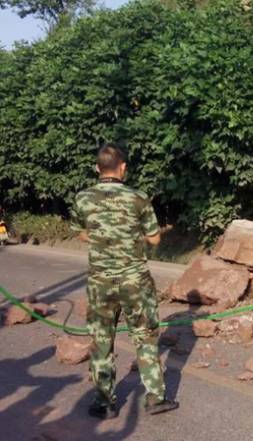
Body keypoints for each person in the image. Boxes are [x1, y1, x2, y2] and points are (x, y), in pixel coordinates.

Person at [70, 143, 178, 419]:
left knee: (101, 340)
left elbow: (79, 233)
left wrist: (103, 237)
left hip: (100, 283)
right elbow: (154, 238)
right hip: (135, 281)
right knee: (145, 336)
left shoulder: (82, 198)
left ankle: (104, 403)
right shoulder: (138, 197)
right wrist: (130, 238)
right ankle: (155, 398)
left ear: (97, 168)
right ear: (123, 167)